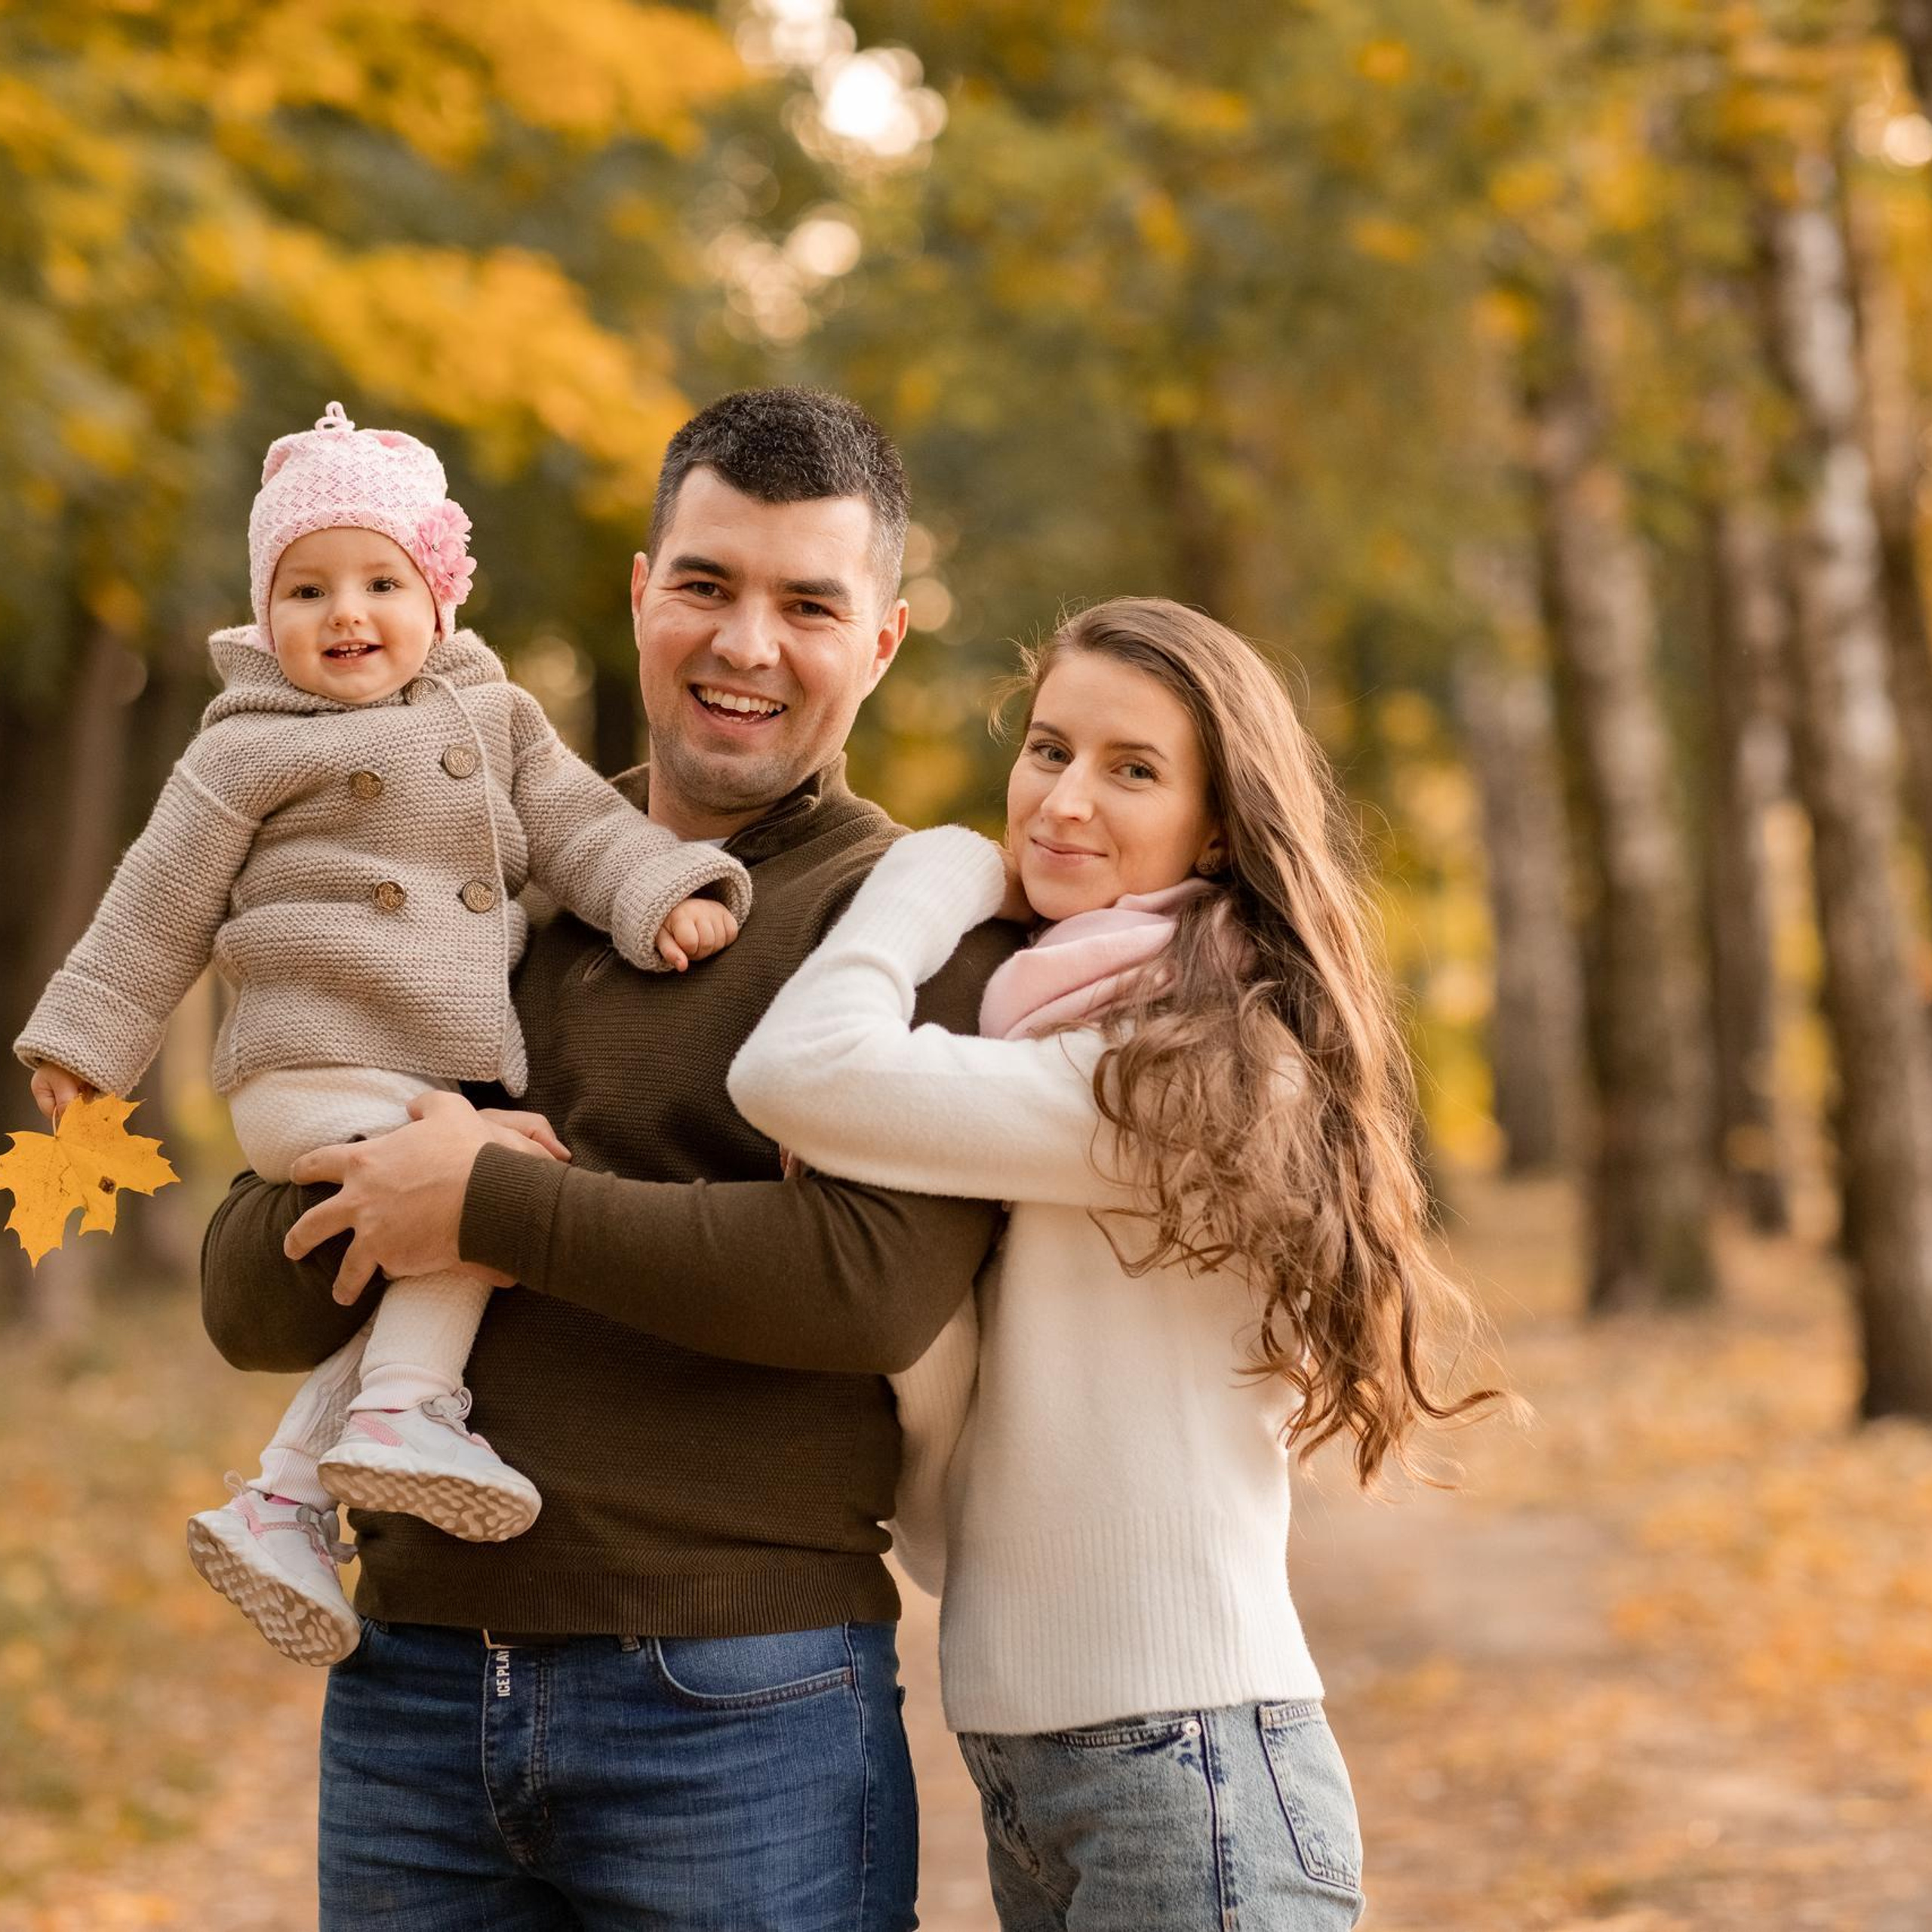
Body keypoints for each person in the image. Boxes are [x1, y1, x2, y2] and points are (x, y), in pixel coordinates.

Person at [197, 388, 1018, 1930]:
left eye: (806, 603)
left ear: (884, 640)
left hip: (736, 1693)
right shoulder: (466, 882)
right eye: (706, 584)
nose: (744, 643)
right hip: (410, 1681)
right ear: (642, 592)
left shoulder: (910, 922)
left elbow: (860, 1285)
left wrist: (488, 1200)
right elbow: (249, 1301)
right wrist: (394, 1195)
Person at [730, 597, 1500, 1930]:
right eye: (1047, 750)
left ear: (1216, 827)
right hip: (1049, 1756)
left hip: (1187, 1769)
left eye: (1130, 769)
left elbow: (794, 1071)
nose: (1061, 799)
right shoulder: (1047, 1022)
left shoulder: (1198, 1067)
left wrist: (924, 878)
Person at [14, 401, 752, 1669]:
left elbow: (582, 829)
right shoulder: (242, 748)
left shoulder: (498, 717)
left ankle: (289, 1499)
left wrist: (657, 895)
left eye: (379, 581)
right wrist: (86, 1042)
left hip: (418, 1067)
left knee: (451, 1205)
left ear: (438, 598)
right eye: (306, 589)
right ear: (264, 614)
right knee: (487, 1189)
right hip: (312, 1059)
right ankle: (413, 1412)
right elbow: (156, 901)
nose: (345, 613)